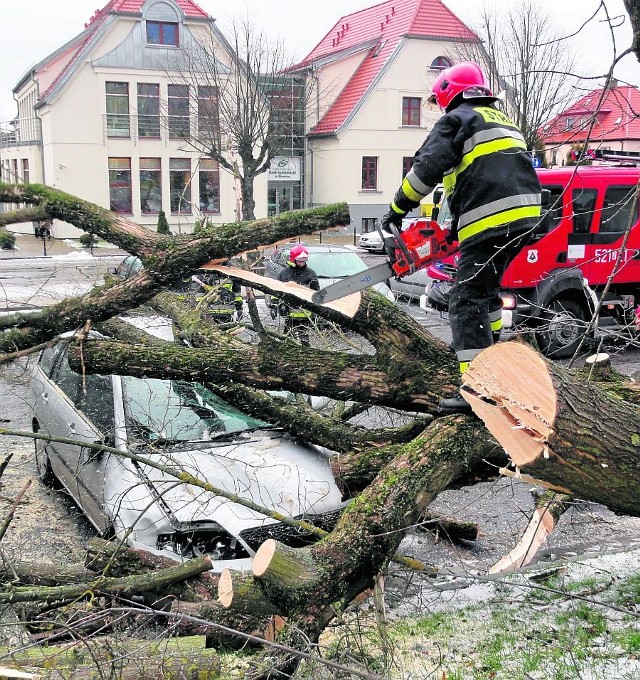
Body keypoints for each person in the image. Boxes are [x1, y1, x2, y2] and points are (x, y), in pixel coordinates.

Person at [380, 61, 542, 414]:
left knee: (464, 298)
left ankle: (479, 390)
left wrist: (396, 210)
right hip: (525, 218)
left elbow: (425, 169)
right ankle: (494, 360)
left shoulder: (457, 120)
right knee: (485, 293)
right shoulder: (503, 121)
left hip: (493, 219)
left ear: (449, 93)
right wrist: (453, 229)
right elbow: (482, 177)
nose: (439, 109)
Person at [277, 245, 320, 346]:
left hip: (306, 315)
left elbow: (316, 292)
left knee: (305, 339)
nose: (301, 263)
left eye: (303, 261)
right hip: (289, 313)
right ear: (293, 260)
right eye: (299, 261)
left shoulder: (310, 274)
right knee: (287, 339)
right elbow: (277, 291)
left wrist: (316, 310)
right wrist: (275, 306)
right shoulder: (284, 274)